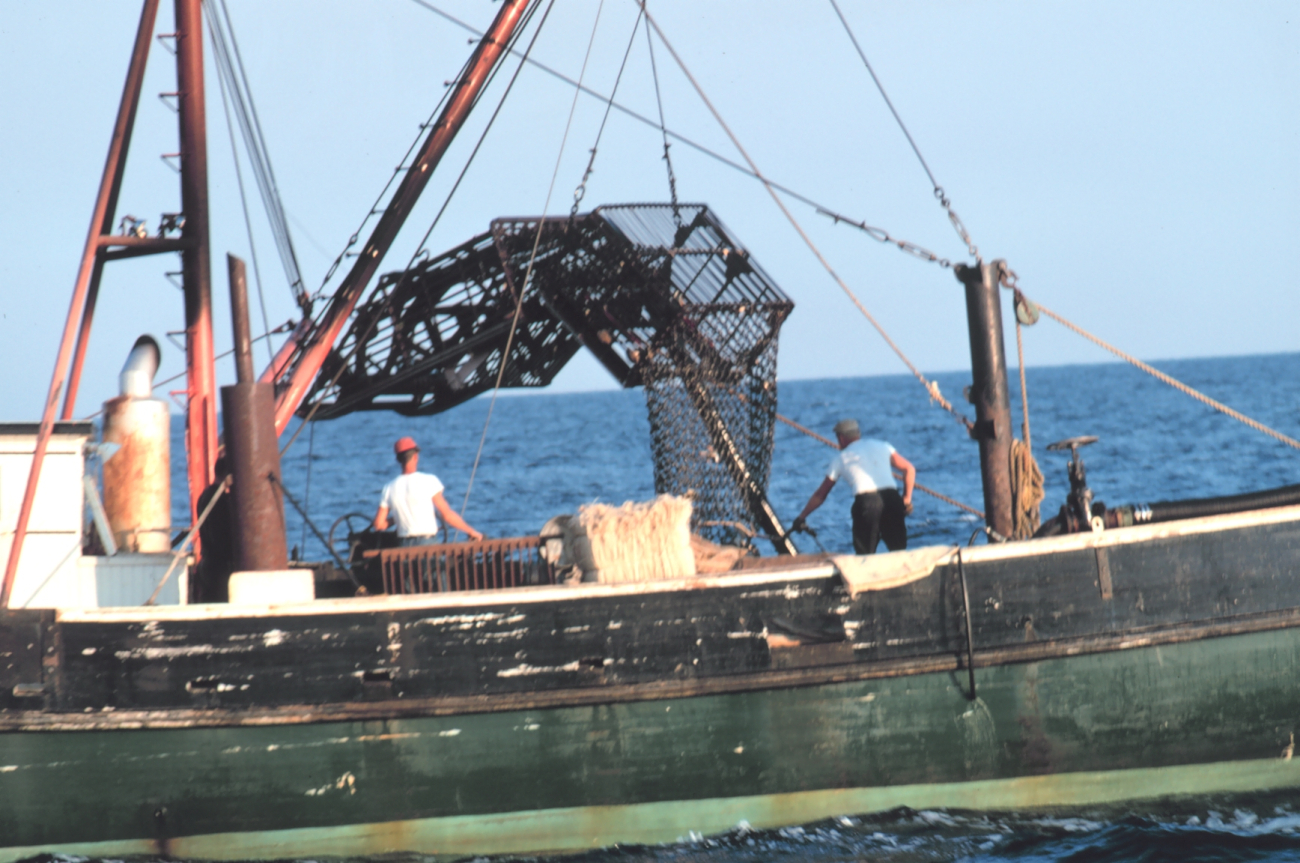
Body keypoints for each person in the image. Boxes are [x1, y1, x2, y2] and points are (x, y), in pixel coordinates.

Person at [792, 418, 916, 555]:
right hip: (892, 500)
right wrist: (906, 498)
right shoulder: (883, 446)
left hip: (867, 503)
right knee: (899, 551)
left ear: (841, 438)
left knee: (865, 556)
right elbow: (909, 469)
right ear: (858, 433)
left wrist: (801, 517)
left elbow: (820, 495)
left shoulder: (840, 458)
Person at [374, 437, 483, 545]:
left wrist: (396, 518)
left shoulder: (389, 488)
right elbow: (447, 515)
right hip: (427, 543)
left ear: (398, 460)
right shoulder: (429, 481)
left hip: (404, 546)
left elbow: (379, 524)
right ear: (416, 456)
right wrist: (471, 531)